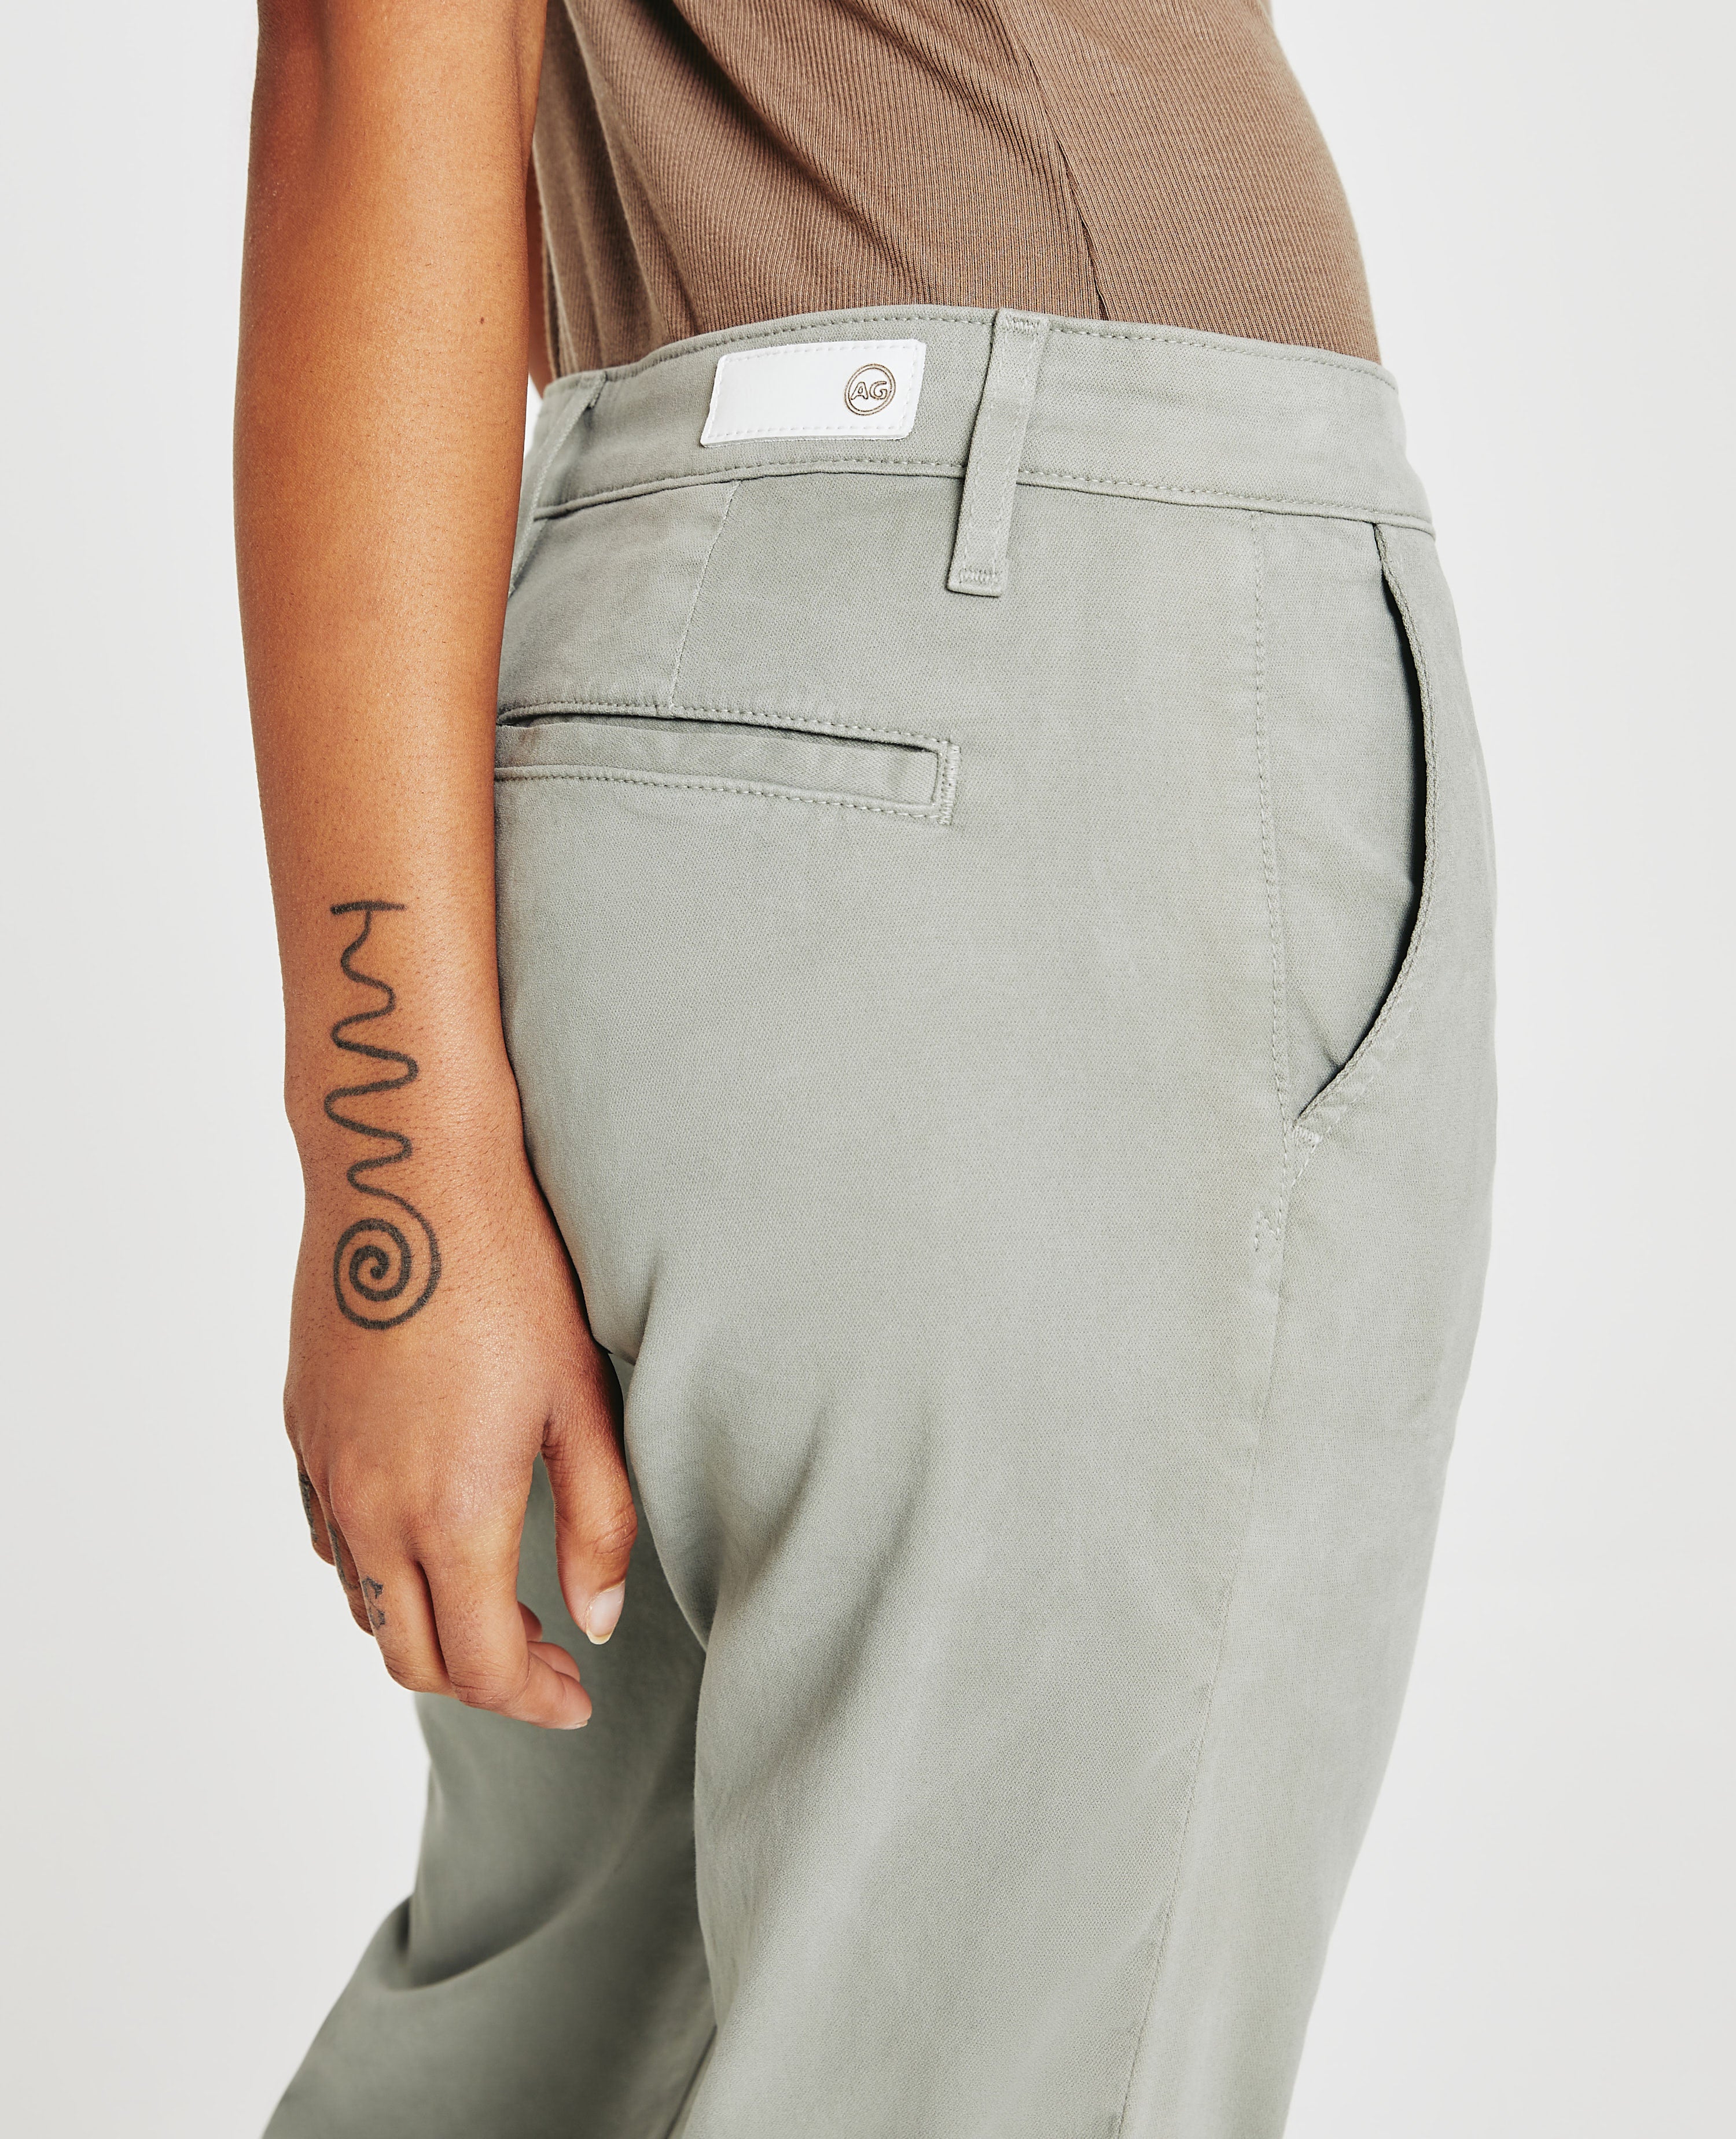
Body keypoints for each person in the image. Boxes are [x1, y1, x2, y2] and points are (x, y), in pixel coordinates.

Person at [237, 5, 1495, 2135]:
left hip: (709, 665)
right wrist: (395, 1164)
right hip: (1053, 669)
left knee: (560, 2060)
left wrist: (403, 1168)